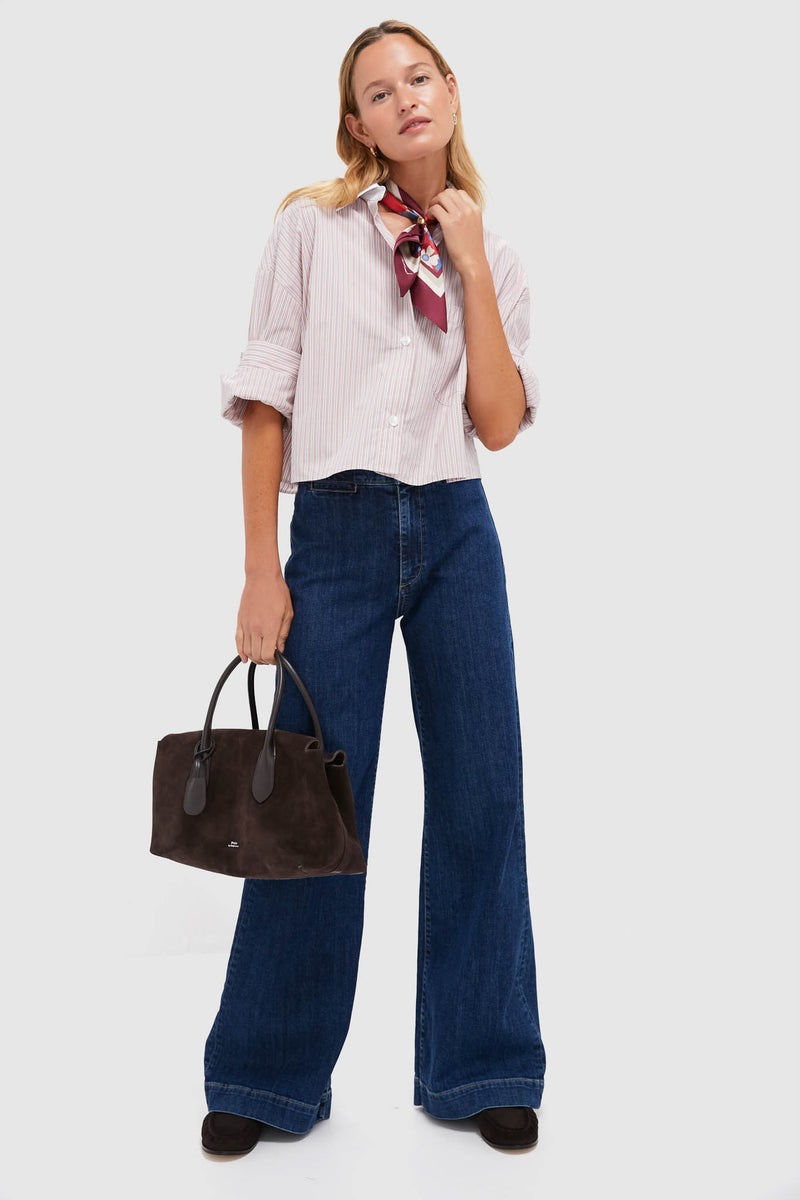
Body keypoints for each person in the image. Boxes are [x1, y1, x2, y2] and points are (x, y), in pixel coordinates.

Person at [201, 19, 546, 1157]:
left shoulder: (491, 247)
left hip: (454, 529)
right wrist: (263, 567)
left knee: (482, 796)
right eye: (378, 90)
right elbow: (266, 401)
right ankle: (264, 1076)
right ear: (355, 122)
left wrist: (471, 260)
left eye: (420, 77)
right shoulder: (311, 226)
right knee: (311, 811)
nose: (404, 99)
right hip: (337, 537)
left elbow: (495, 422)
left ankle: (483, 1063)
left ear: (448, 92)